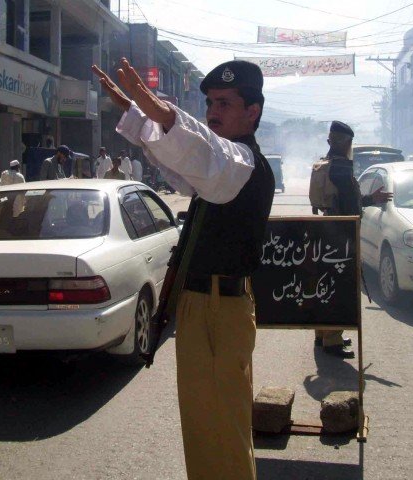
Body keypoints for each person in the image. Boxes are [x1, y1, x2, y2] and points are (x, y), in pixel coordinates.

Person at [93, 58, 274, 480]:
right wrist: (133, 110)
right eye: (210, 102)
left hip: (218, 310)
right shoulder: (220, 172)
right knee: (205, 429)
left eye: (225, 103)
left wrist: (162, 112)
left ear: (253, 113)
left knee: (221, 433)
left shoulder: (242, 163)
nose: (213, 111)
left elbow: (203, 150)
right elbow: (182, 165)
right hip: (202, 306)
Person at [314, 121, 393, 358]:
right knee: (338, 288)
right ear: (346, 143)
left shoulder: (324, 163)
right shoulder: (342, 168)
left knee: (324, 285)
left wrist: (369, 198)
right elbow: (351, 206)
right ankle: (333, 341)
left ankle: (323, 334)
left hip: (326, 233)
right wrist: (366, 202)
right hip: (342, 238)